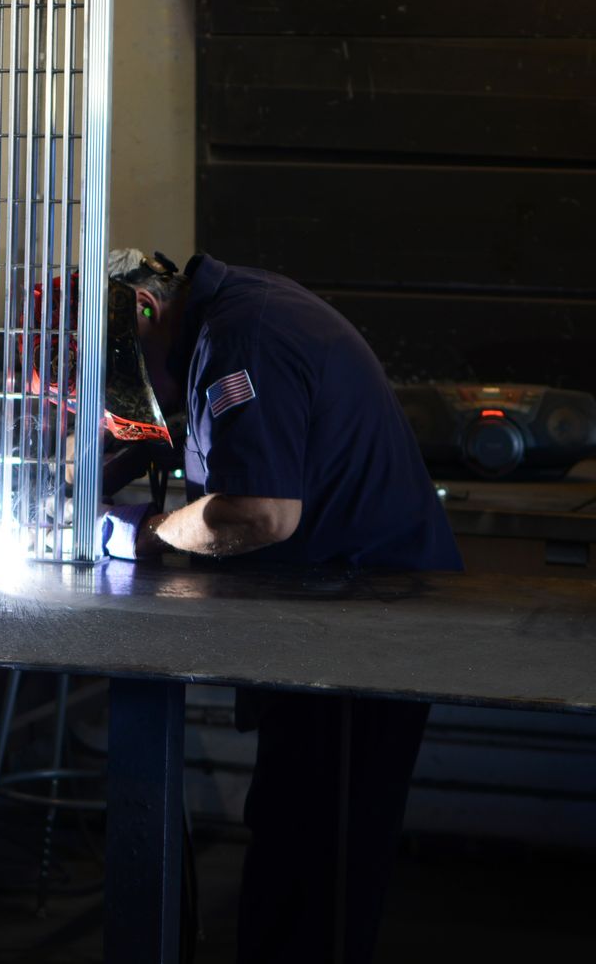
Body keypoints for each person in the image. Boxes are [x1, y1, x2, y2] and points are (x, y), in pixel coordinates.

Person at [95, 249, 460, 964]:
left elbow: (261, 512)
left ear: (146, 311)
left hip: (361, 638)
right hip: (331, 624)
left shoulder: (242, 337)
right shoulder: (228, 318)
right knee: (294, 844)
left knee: (314, 873)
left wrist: (140, 533)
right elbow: (220, 429)